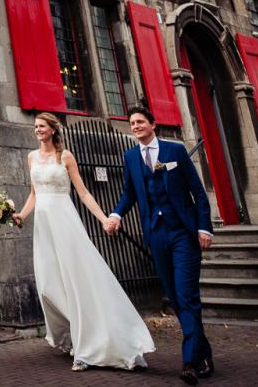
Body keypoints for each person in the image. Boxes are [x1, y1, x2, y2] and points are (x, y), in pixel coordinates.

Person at [12, 112, 154, 372]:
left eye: (42, 126)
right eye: (35, 127)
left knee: (76, 280)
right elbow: (34, 193)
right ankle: (75, 332)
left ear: (53, 129)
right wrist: (21, 214)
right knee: (48, 285)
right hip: (44, 228)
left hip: (65, 221)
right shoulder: (31, 157)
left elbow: (84, 193)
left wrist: (103, 219)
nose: (37, 130)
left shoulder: (65, 157)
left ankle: (87, 345)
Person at [105, 107, 216, 384]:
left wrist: (204, 227)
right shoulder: (130, 157)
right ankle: (204, 354)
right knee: (176, 298)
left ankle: (190, 361)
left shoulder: (175, 151)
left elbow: (197, 192)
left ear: (153, 124)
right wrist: (117, 213)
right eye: (131, 123)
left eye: (140, 121)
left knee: (186, 294)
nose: (135, 126)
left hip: (182, 233)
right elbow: (129, 193)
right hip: (156, 236)